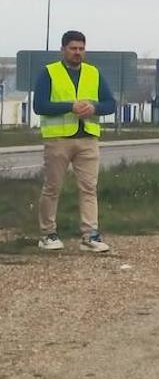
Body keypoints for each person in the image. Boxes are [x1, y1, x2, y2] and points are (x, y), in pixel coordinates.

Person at [33, 30, 115, 253]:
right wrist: (70, 106)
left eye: (81, 48)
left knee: (89, 188)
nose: (77, 53)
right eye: (73, 48)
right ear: (63, 50)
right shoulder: (49, 73)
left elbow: (111, 104)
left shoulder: (93, 73)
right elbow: (39, 106)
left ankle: (90, 235)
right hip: (58, 139)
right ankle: (47, 233)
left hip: (87, 138)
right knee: (52, 188)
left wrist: (94, 108)